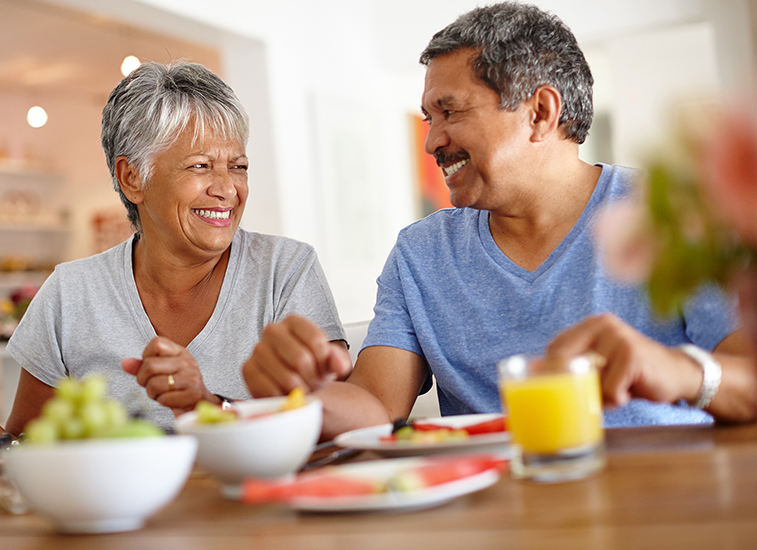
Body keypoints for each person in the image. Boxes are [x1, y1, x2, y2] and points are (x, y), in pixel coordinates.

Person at [242, 2, 757, 440]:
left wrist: (681, 372)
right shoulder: (421, 255)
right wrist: (305, 397)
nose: (431, 141)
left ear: (540, 112)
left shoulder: (671, 216)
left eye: (450, 112)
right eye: (429, 118)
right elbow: (376, 407)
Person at [0, 61, 346, 443]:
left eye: (237, 166)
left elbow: (341, 428)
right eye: (200, 166)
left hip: (257, 518)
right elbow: (32, 456)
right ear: (132, 179)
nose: (226, 189)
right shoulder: (69, 293)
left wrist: (208, 405)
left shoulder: (286, 271)